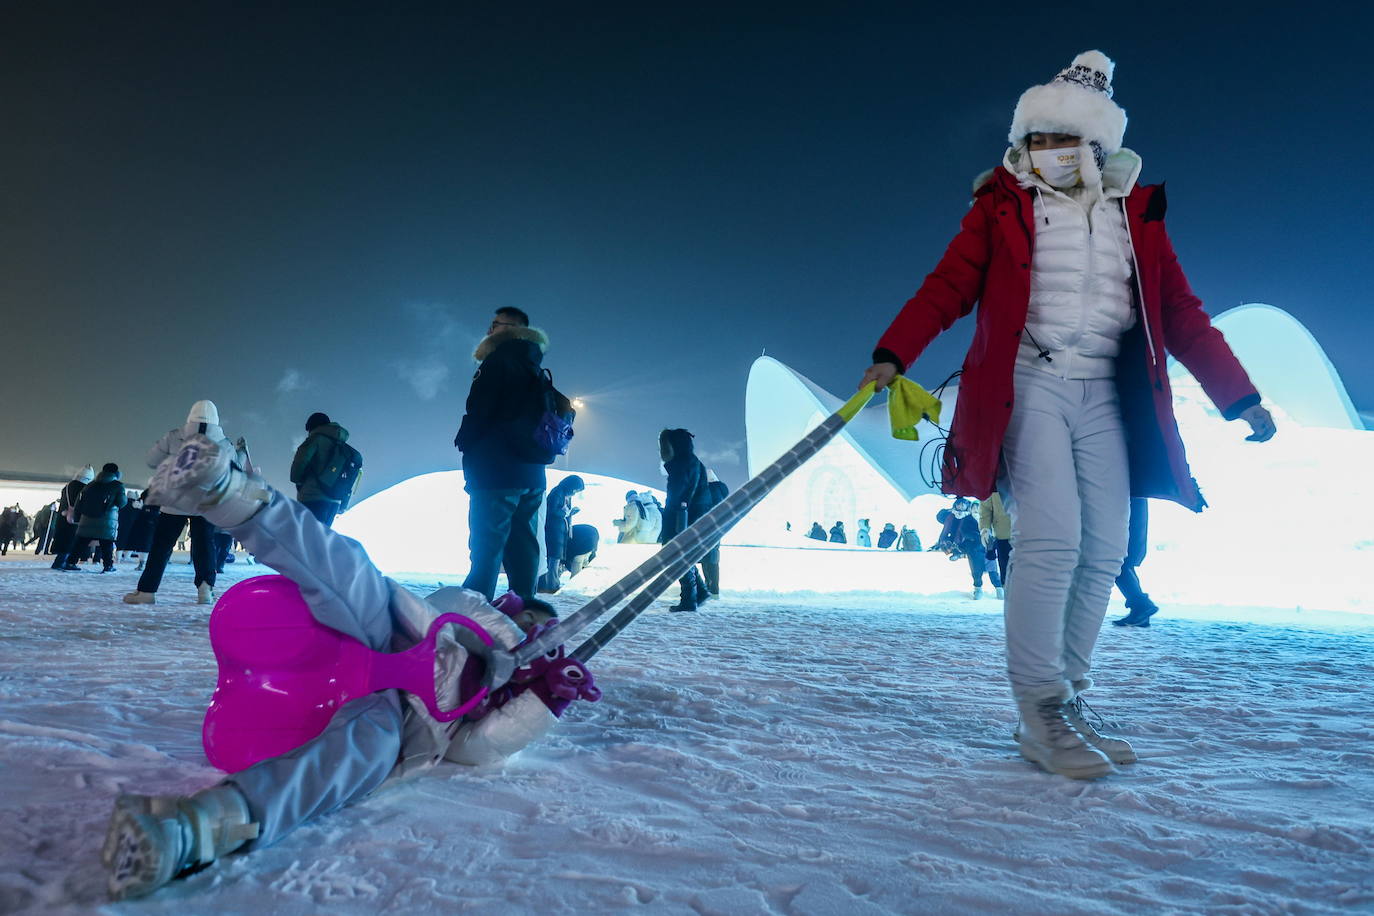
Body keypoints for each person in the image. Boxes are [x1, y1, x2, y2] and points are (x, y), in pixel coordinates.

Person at [858, 51, 1275, 778]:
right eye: (1037, 140)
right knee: (1051, 540)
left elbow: (1180, 312)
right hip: (1029, 383)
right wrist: (894, 352)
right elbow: (948, 286)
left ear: (1098, 147)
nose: (1048, 154)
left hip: (1103, 393)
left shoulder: (1137, 216)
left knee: (1106, 547)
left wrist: (1239, 396)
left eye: (1064, 141)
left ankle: (1070, 694)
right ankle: (1038, 708)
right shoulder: (1001, 206)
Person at [99, 431, 594, 901]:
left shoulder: (500, 699)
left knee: (356, 761)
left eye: (538, 633)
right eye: (530, 620)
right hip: (385, 634)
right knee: (347, 568)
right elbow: (449, 604)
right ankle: (228, 492)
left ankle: (201, 826)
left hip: (401, 715)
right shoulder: (476, 621)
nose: (532, 632)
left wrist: (540, 699)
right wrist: (509, 647)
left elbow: (478, 750)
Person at [454, 308, 549, 601]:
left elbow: (481, 410)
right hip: (532, 470)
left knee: (487, 546)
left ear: (512, 329)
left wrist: (466, 441)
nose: (490, 329)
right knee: (523, 546)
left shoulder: (498, 360)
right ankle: (524, 611)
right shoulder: (533, 365)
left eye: (495, 324)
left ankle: (474, 614)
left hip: (496, 469)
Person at [124, 401, 233, 605]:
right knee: (204, 546)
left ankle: (147, 591)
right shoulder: (224, 443)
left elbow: (152, 459)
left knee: (161, 546)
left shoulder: (174, 436)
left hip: (175, 501)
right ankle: (205, 590)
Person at [659, 428, 712, 612]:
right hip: (691, 517)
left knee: (677, 556)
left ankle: (689, 599)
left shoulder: (682, 465)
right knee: (683, 556)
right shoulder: (692, 462)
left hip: (682, 519)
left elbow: (680, 496)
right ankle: (701, 592)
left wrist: (673, 518)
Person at [289, 412, 358, 527]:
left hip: (312, 497)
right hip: (335, 502)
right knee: (320, 539)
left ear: (311, 427)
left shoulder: (315, 440)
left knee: (304, 538)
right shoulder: (343, 448)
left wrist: (297, 479)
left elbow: (300, 463)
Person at [934, 499, 1003, 599]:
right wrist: (976, 536)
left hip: (989, 548)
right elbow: (964, 531)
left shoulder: (988, 519)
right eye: (974, 508)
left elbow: (996, 530)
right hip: (974, 549)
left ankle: (999, 589)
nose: (976, 510)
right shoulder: (967, 519)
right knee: (976, 571)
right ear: (971, 509)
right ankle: (978, 589)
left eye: (978, 508)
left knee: (993, 570)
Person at [1112, 497, 1158, 627]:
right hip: (1134, 517)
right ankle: (1141, 614)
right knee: (1124, 565)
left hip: (1127, 519)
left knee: (1118, 564)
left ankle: (1142, 606)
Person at [74, 463, 128, 572]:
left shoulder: (91, 484)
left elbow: (79, 502)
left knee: (82, 542)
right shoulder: (117, 485)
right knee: (106, 544)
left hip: (87, 518)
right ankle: (108, 565)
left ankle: (71, 562)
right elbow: (121, 503)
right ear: (116, 473)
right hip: (106, 520)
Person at [537, 474, 584, 594]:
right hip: (553, 531)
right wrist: (566, 513)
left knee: (555, 559)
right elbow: (551, 511)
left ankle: (552, 584)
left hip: (560, 531)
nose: (575, 492)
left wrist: (569, 513)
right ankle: (551, 585)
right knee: (553, 559)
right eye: (576, 489)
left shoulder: (565, 494)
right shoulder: (557, 492)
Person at [50, 465, 95, 570]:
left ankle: (60, 562)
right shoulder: (83, 488)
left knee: (65, 540)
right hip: (75, 518)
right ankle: (62, 562)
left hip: (63, 517)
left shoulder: (68, 486)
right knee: (71, 541)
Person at [979, 491, 1013, 587]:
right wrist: (985, 529)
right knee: (1007, 577)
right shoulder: (992, 481)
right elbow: (985, 509)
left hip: (1031, 536)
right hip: (1003, 536)